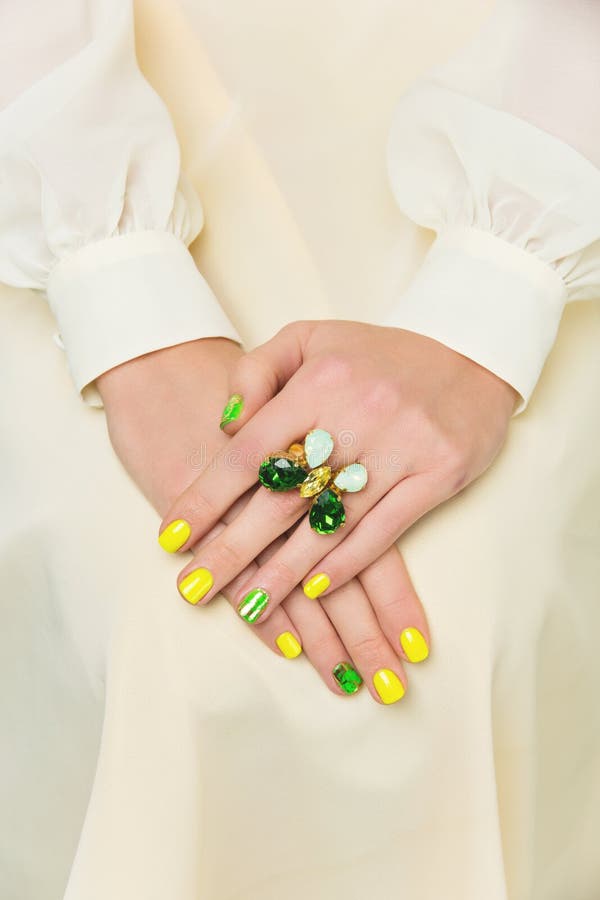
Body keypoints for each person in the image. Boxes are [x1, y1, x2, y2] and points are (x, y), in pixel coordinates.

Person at [1, 0, 599, 897]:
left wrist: (495, 293)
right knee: (166, 635)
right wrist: (120, 287)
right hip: (56, 73)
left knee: (468, 608)